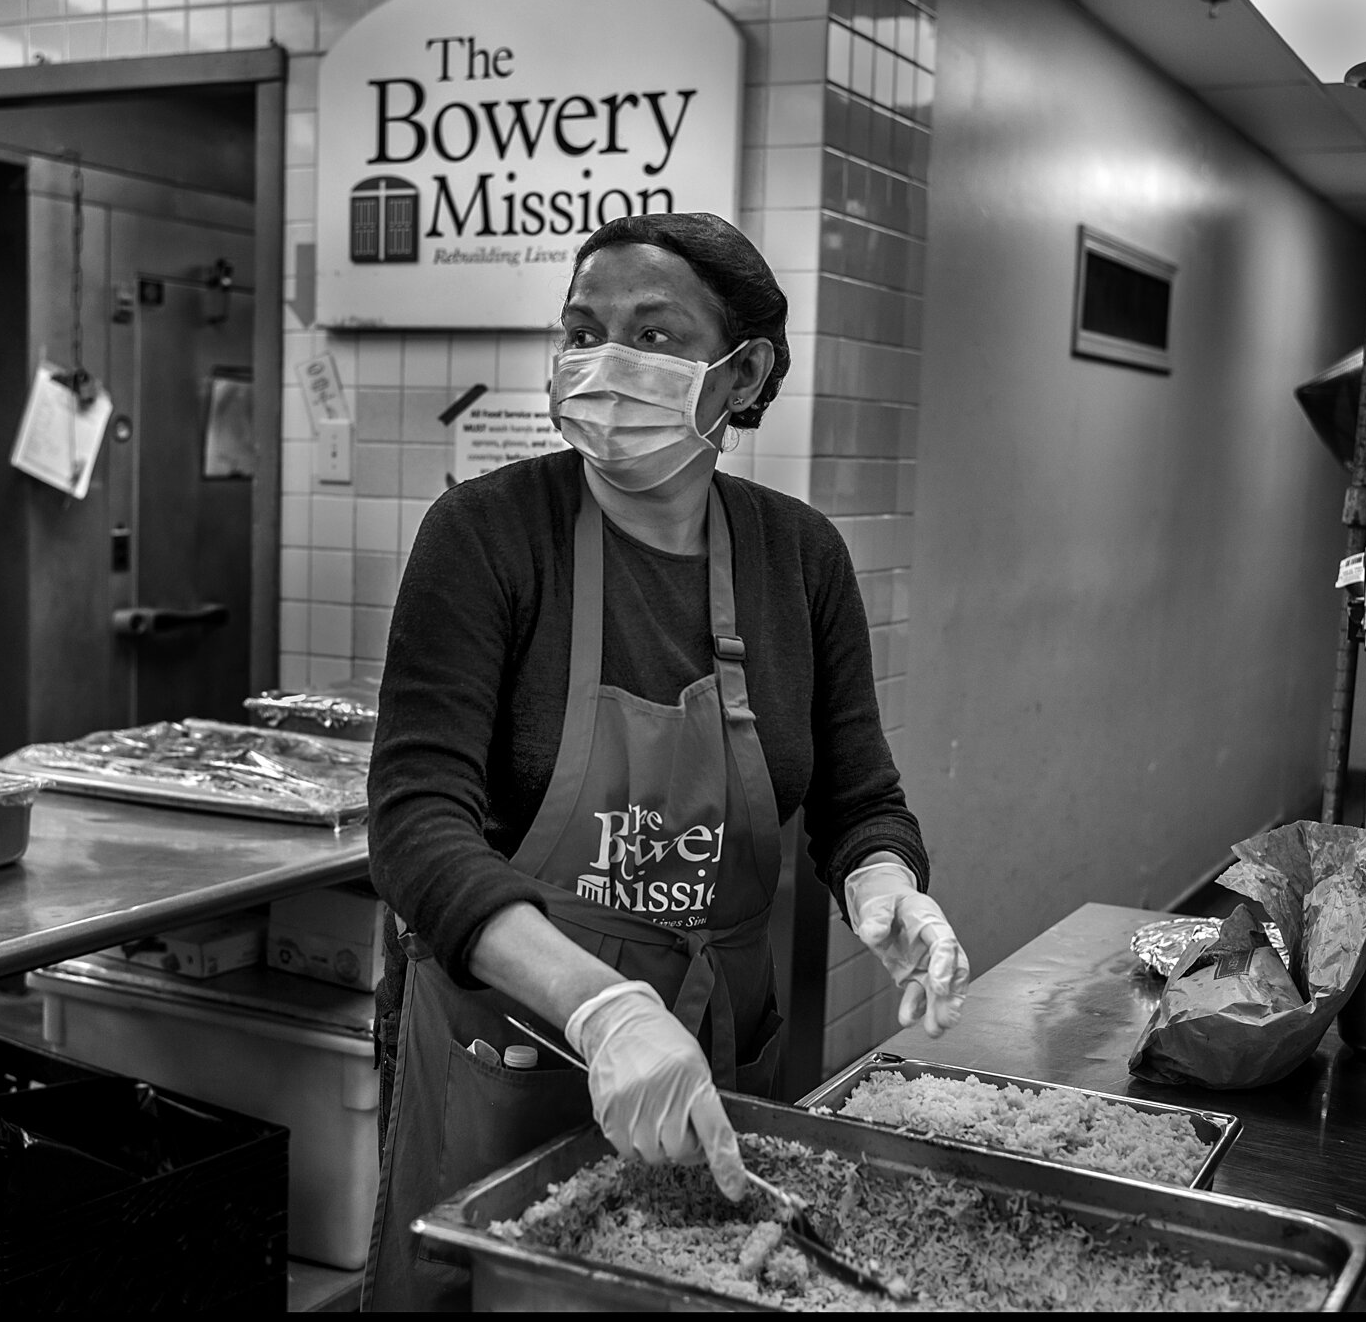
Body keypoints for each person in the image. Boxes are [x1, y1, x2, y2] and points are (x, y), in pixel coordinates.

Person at [363, 212, 971, 1310]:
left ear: (741, 375)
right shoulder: (487, 533)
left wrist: (887, 884)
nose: (603, 364)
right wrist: (602, 1010)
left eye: (650, 334)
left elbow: (857, 796)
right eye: (581, 329)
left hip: (717, 1057)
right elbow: (416, 825)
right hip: (513, 1050)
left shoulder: (799, 558)